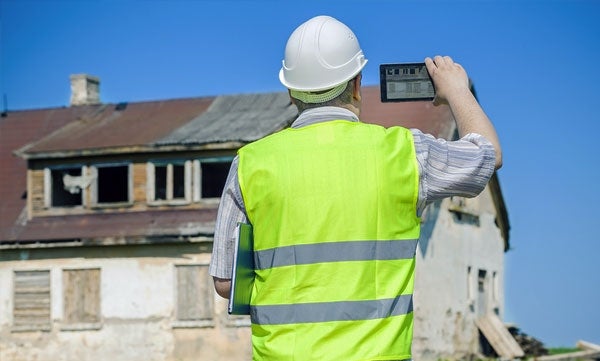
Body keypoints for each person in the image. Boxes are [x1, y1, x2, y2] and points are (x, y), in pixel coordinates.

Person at [209, 15, 502, 361]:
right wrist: (456, 90)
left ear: (291, 91)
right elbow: (488, 154)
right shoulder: (405, 153)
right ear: (358, 84)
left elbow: (225, 283)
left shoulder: (251, 163)